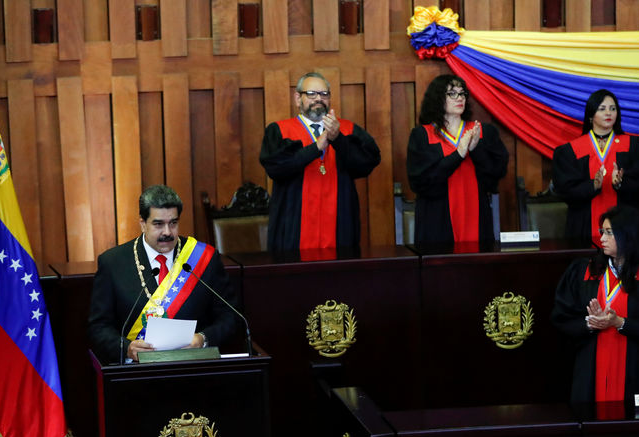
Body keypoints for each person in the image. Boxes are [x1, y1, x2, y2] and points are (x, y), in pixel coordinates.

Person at [88, 185, 239, 364]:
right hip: (136, 374)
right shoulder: (113, 263)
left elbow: (231, 316)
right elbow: (98, 326)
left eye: (173, 223)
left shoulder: (203, 259)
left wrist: (203, 339)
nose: (167, 232)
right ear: (143, 223)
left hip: (193, 369)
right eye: (158, 224)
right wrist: (126, 348)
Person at [551, 205, 639, 403]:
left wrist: (621, 323)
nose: (602, 239)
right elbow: (561, 317)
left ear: (628, 235)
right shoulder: (583, 272)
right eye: (602, 232)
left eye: (609, 233)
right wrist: (589, 323)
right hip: (590, 376)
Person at [259, 72, 381, 251]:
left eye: (324, 94)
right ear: (298, 98)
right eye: (311, 94)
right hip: (293, 225)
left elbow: (366, 164)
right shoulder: (280, 130)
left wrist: (338, 140)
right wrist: (315, 148)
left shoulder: (347, 129)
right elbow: (276, 169)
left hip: (340, 225)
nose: (318, 99)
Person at [407, 74, 508, 245]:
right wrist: (458, 154)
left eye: (462, 93)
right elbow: (421, 183)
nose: (459, 98)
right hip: (437, 218)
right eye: (452, 93)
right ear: (438, 98)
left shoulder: (482, 131)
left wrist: (475, 150)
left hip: (476, 213)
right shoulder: (423, 135)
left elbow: (495, 176)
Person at [552, 89, 639, 243]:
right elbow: (564, 190)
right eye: (602, 108)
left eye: (613, 109)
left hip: (625, 224)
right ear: (591, 115)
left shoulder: (633, 145)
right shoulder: (570, 150)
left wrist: (621, 183)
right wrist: (592, 185)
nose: (609, 113)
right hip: (584, 227)